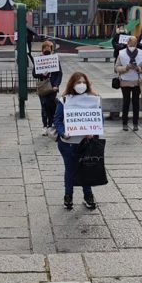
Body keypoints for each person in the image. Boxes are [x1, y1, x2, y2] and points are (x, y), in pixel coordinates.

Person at [53, 72, 100, 211]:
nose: (81, 85)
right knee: (70, 170)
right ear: (72, 84)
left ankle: (88, 196)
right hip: (68, 143)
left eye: (83, 82)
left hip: (85, 143)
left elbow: (99, 119)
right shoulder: (65, 100)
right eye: (78, 82)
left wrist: (93, 132)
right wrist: (63, 132)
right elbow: (57, 119)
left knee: (86, 169)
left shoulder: (94, 99)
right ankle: (68, 196)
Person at [114, 36, 142, 131]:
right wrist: (126, 68)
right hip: (125, 81)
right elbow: (116, 67)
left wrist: (139, 69)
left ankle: (135, 123)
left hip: (137, 81)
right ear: (127, 43)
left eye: (134, 42)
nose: (132, 44)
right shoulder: (122, 53)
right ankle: (125, 123)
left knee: (136, 103)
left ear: (136, 43)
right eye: (130, 42)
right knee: (126, 102)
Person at [32, 40, 63, 136]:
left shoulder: (55, 60)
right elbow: (34, 74)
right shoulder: (39, 60)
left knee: (51, 106)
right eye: (45, 47)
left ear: (52, 49)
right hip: (43, 87)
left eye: (49, 47)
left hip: (52, 87)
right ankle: (45, 125)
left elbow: (59, 74)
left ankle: (51, 124)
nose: (47, 49)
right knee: (44, 106)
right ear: (42, 49)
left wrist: (56, 85)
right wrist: (41, 74)